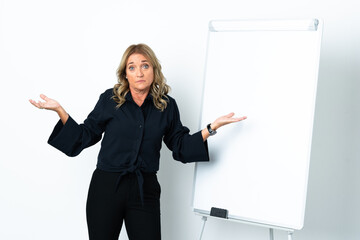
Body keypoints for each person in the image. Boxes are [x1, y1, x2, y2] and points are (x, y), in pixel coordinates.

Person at [29, 43, 247, 240]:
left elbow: (180, 146)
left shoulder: (167, 106)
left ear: (154, 70)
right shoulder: (110, 99)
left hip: (145, 190)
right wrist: (60, 110)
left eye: (145, 66)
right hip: (106, 187)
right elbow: (85, 135)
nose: (139, 72)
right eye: (132, 67)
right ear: (125, 74)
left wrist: (211, 128)